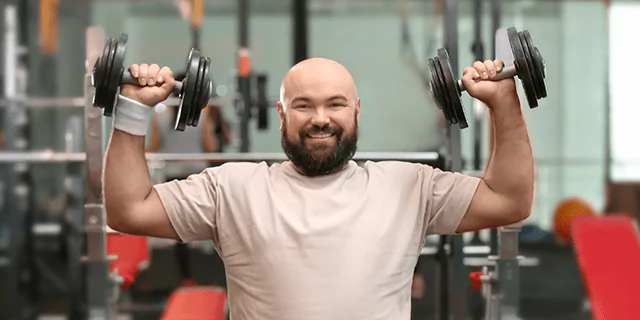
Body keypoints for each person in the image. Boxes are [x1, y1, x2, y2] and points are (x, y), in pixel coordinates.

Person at [104, 58, 534, 320]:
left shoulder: (409, 186)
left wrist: (503, 102)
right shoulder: (232, 188)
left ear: (357, 111)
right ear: (281, 114)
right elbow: (128, 211)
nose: (320, 118)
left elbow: (509, 201)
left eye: (335, 103)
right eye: (303, 105)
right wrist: (131, 110)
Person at [146, 71, 226, 288]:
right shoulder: (201, 116)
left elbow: (153, 146)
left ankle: (185, 278)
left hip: (174, 178)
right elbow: (212, 148)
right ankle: (207, 277)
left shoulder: (160, 117)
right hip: (197, 177)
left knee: (179, 229)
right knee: (206, 225)